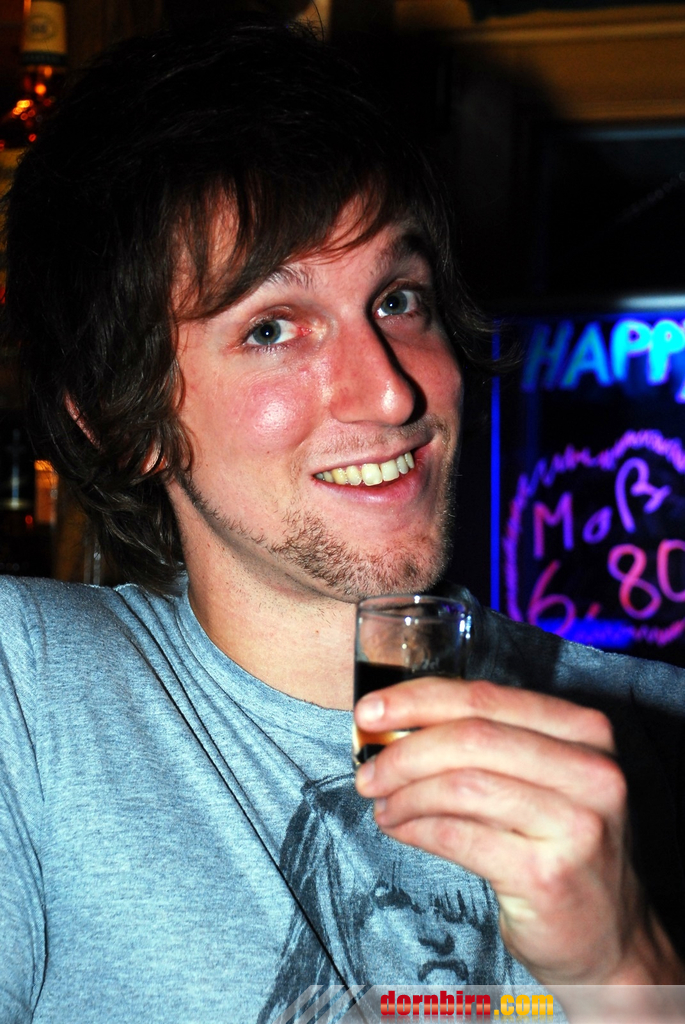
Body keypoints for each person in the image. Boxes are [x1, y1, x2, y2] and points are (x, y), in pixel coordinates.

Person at [1, 16, 684, 1024]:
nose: (391, 391)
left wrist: (626, 971)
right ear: (120, 422)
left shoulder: (659, 730)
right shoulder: (29, 703)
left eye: (399, 299)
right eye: (272, 328)